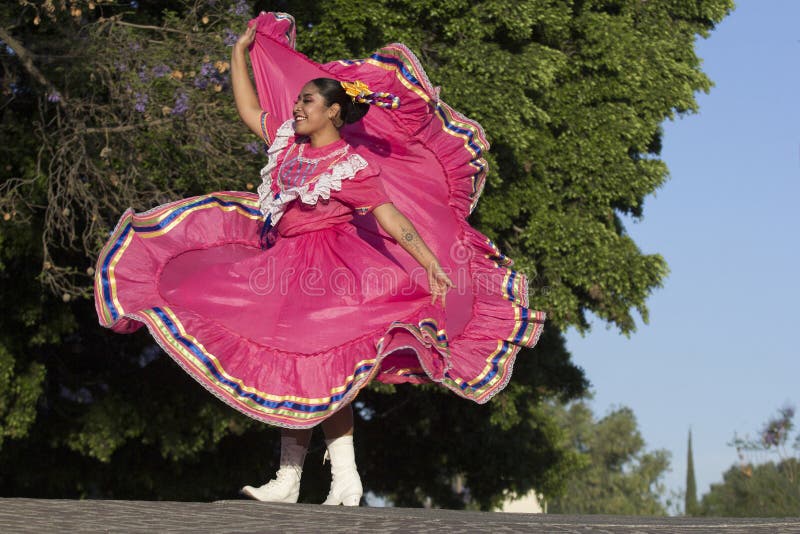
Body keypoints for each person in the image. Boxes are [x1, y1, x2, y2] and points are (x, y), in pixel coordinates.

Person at [94, 12, 545, 507]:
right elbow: (247, 109)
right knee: (296, 363)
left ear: (333, 111)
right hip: (281, 262)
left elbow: (393, 220)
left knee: (327, 363)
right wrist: (238, 54)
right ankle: (291, 479)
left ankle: (344, 479)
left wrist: (431, 264)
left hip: (333, 270)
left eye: (308, 101)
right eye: (298, 100)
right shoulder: (288, 145)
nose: (297, 108)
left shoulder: (350, 166)